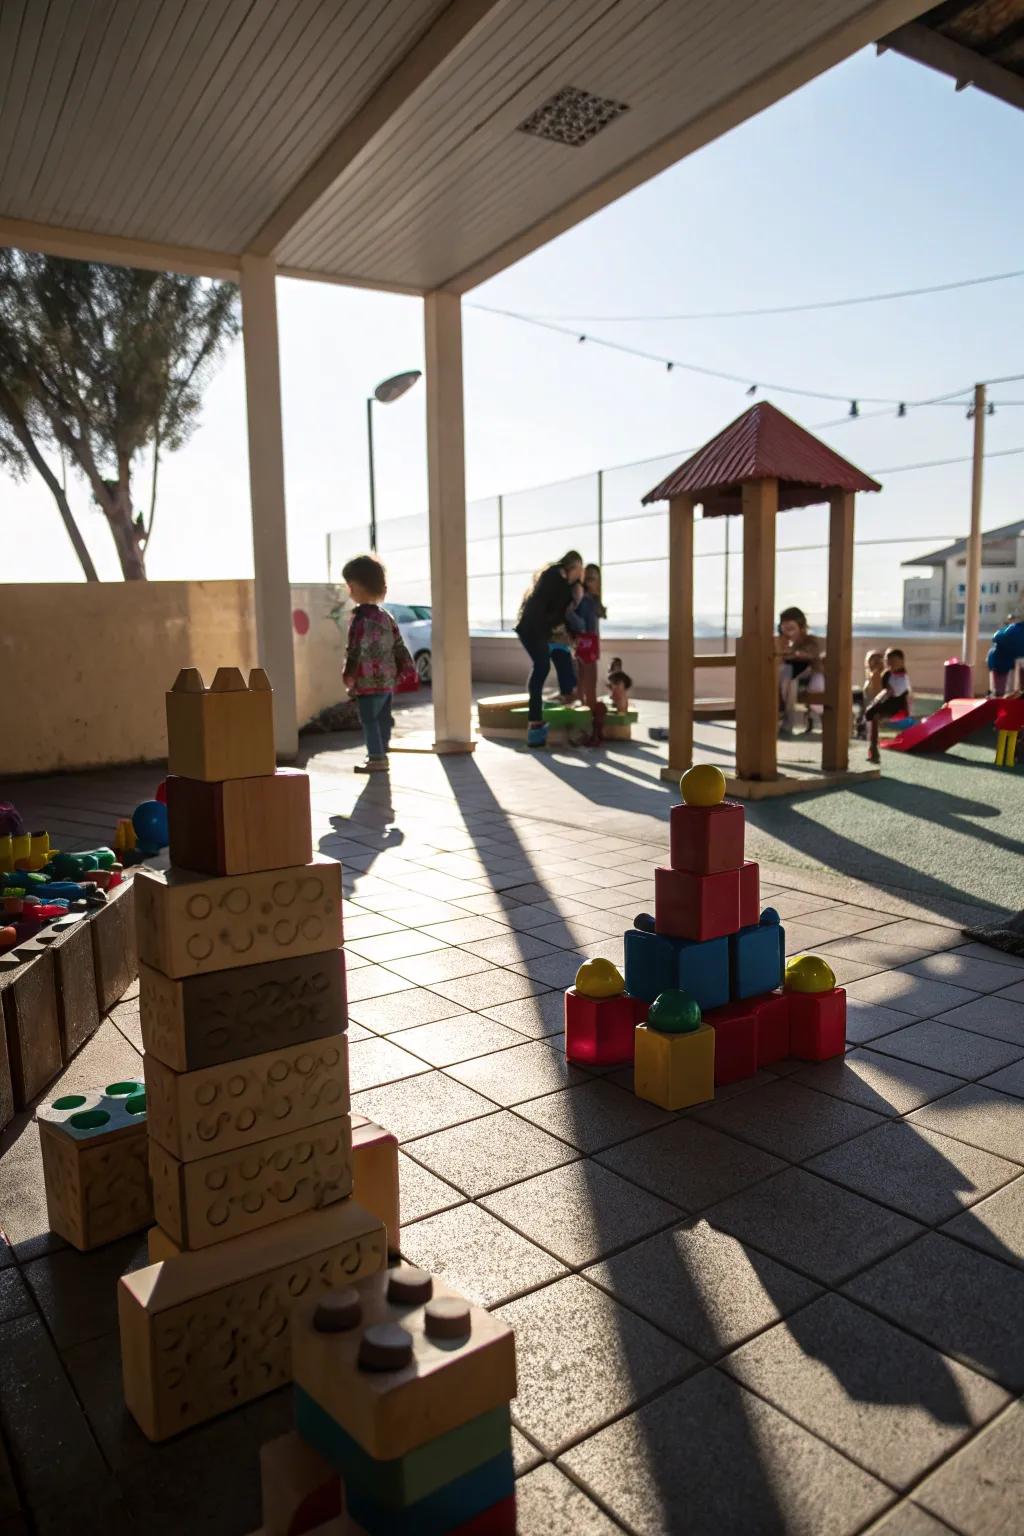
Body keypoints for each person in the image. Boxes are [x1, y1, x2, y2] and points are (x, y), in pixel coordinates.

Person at [341, 554, 412, 774]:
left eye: (349, 585)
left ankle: (376, 757)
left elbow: (354, 650)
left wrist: (348, 674)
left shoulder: (360, 619)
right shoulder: (386, 616)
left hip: (367, 682)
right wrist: (404, 668)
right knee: (383, 718)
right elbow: (398, 644)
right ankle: (383, 750)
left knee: (369, 720)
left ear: (355, 586)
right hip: (387, 681)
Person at [515, 551, 585, 746]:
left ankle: (535, 722)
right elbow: (557, 612)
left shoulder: (553, 576)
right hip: (533, 630)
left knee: (542, 666)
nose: (580, 575)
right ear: (574, 567)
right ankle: (534, 722)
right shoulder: (558, 580)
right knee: (542, 667)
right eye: (579, 570)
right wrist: (575, 596)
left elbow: (553, 611)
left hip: (532, 629)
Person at [775, 606, 823, 736]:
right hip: (790, 678)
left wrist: (793, 653)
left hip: (809, 674)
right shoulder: (781, 641)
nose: (789, 632)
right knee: (788, 676)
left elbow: (811, 654)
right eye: (785, 628)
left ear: (801, 627)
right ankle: (784, 720)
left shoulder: (810, 640)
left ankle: (786, 721)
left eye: (791, 628)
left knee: (787, 672)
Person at [573, 564, 607, 742]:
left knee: (586, 685)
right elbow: (580, 623)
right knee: (587, 685)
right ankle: (591, 729)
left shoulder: (591, 600)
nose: (592, 582)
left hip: (589, 643)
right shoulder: (586, 600)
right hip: (587, 643)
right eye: (589, 578)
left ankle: (590, 728)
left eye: (595, 578)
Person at [864, 646, 913, 763]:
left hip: (899, 708)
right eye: (888, 661)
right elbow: (880, 691)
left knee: (874, 714)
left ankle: (873, 747)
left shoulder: (903, 677)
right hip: (887, 704)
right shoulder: (886, 674)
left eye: (893, 661)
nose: (890, 664)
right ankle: (873, 748)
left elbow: (896, 692)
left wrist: (884, 693)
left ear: (901, 661)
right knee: (872, 715)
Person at [853, 650, 885, 740]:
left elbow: (877, 695)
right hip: (870, 709)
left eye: (876, 660)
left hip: (873, 711)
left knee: (870, 737)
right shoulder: (872, 675)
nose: (873, 662)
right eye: (871, 659)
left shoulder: (876, 675)